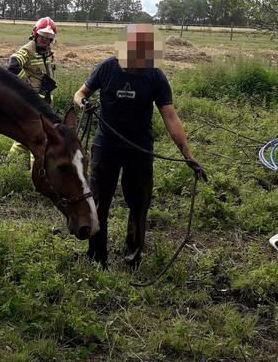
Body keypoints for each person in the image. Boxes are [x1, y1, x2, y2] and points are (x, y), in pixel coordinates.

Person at [73, 23, 206, 269]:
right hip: (106, 148)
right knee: (99, 201)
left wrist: (188, 154)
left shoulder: (155, 76)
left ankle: (132, 257)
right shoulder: (106, 68)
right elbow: (80, 93)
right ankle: (96, 255)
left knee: (139, 204)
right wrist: (83, 103)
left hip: (140, 150)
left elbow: (170, 117)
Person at [7, 17, 58, 161]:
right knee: (39, 137)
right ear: (35, 34)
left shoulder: (46, 51)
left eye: (48, 37)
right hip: (32, 102)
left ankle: (9, 163)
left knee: (24, 137)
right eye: (42, 35)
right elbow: (13, 65)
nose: (45, 39)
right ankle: (36, 175)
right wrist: (27, 85)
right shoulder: (29, 48)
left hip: (43, 101)